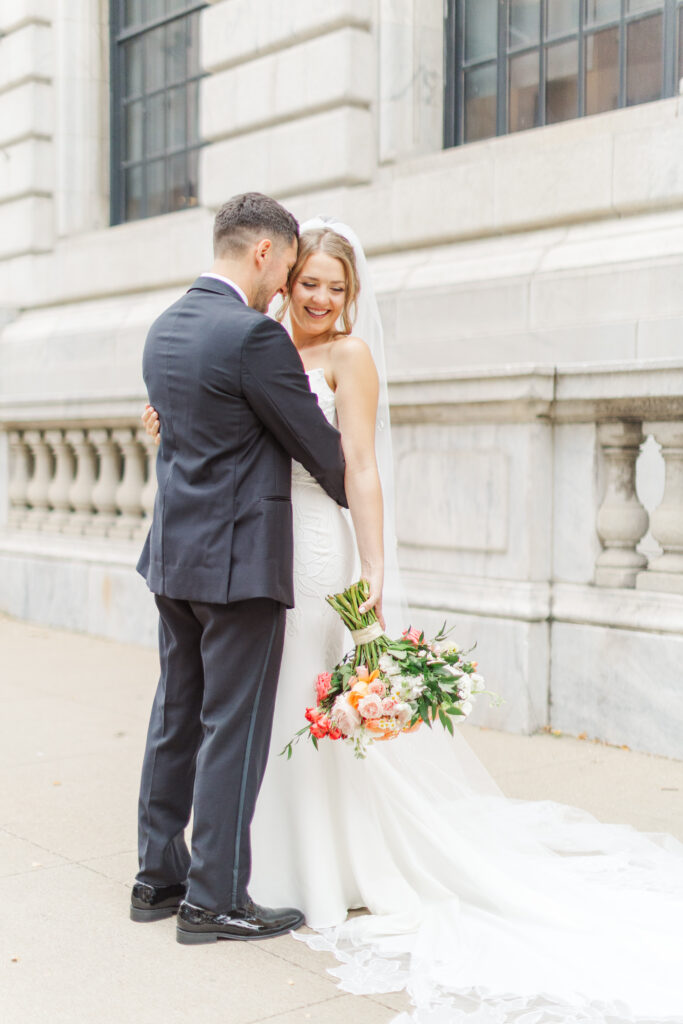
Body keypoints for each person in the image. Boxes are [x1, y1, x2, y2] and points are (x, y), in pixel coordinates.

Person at [143, 220, 683, 1022]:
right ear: (280, 277)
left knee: (271, 707)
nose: (320, 298)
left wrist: (374, 572)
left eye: (336, 286)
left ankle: (287, 870)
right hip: (247, 549)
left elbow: (354, 463)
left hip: (309, 548)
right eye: (308, 282)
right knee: (241, 713)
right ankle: (236, 875)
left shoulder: (346, 357)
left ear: (352, 295)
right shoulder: (248, 340)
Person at [130, 193, 357, 945]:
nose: (287, 287)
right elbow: (320, 451)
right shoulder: (254, 338)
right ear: (263, 253)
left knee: (174, 719)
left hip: (173, 558)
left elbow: (190, 433)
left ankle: (155, 879)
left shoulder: (166, 327)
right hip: (237, 564)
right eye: (289, 269)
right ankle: (212, 901)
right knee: (234, 726)